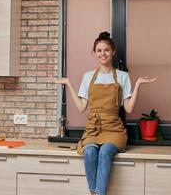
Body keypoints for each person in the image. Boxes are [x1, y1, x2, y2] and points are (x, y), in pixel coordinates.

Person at [54, 31, 157, 195]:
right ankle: (95, 192)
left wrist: (137, 84)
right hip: (93, 129)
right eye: (99, 50)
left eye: (106, 50)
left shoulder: (123, 76)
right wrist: (68, 84)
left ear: (113, 51)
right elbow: (81, 107)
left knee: (104, 152)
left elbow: (128, 108)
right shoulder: (88, 77)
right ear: (94, 53)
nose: (103, 53)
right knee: (89, 151)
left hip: (114, 129)